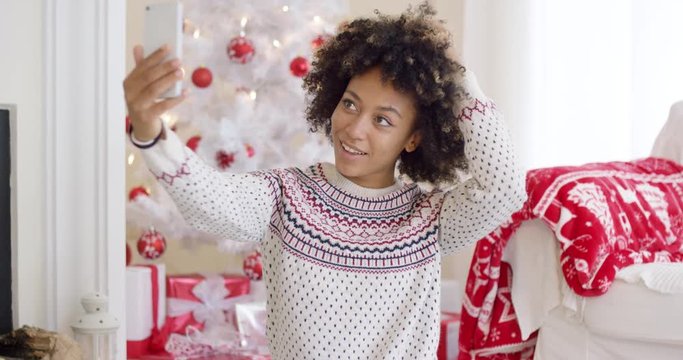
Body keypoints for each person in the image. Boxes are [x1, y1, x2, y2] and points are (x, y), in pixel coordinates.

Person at [124, 3, 525, 359]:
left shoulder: (431, 219)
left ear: (414, 138)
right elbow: (210, 201)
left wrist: (455, 80)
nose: (353, 128)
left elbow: (504, 187)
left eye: (383, 120)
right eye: (349, 104)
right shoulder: (285, 195)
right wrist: (149, 132)